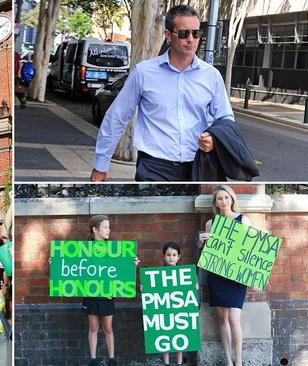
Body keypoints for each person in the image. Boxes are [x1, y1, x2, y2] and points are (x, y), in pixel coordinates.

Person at [90, 4, 234, 182]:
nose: (191, 39)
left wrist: (214, 139)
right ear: (168, 35)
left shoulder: (211, 76)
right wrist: (101, 165)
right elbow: (116, 117)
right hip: (153, 168)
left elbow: (226, 118)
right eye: (184, 33)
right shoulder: (143, 73)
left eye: (196, 33)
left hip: (198, 166)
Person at [199, 185, 252, 366]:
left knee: (234, 319)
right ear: (215, 203)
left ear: (232, 199)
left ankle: (239, 361)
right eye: (220, 198)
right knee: (222, 319)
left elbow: (250, 249)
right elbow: (208, 255)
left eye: (226, 197)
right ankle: (228, 361)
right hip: (217, 275)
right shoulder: (211, 224)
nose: (223, 201)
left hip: (236, 276)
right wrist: (202, 244)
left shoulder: (243, 220)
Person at [80, 215, 140, 366]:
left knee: (107, 327)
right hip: (90, 293)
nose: (109, 230)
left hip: (107, 293)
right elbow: (70, 265)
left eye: (109, 227)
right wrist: (55, 262)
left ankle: (111, 359)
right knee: (93, 327)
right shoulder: (83, 248)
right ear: (95, 229)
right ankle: (93, 359)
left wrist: (132, 264)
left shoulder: (114, 249)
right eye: (105, 227)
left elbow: (121, 269)